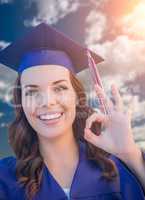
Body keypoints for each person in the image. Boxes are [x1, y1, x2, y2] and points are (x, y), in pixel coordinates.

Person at [0, 23, 144, 200]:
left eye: (59, 88)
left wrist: (129, 154)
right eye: (32, 91)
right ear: (21, 102)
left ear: (76, 96)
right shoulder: (5, 179)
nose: (47, 102)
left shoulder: (116, 170)